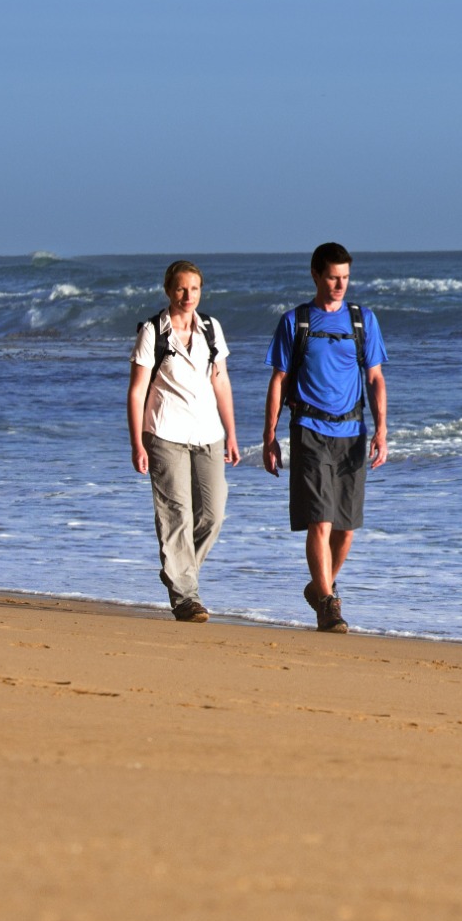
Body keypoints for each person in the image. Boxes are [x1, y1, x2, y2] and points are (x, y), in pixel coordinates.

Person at [261, 241, 388, 633]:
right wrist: (269, 436)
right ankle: (329, 604)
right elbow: (278, 380)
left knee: (346, 527)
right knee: (321, 520)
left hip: (353, 432)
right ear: (316, 274)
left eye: (345, 278)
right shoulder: (295, 321)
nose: (339, 285)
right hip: (309, 430)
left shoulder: (362, 320)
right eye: (333, 277)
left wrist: (382, 429)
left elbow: (375, 378)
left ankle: (321, 587)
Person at [125, 260, 238, 622]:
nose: (188, 296)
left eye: (194, 289)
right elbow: (137, 390)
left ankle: (178, 571)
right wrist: (137, 443)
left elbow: (220, 382)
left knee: (212, 514)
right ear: (168, 290)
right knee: (176, 517)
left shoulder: (211, 328)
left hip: (209, 434)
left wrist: (232, 433)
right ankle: (185, 596)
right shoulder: (152, 332)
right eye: (180, 289)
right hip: (165, 433)